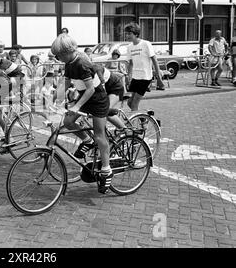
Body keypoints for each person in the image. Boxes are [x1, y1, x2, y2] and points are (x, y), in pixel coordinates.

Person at [51, 34, 112, 194]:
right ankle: (87, 141)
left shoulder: (82, 63)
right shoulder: (69, 62)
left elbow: (91, 89)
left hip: (97, 99)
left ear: (67, 51)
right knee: (68, 122)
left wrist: (77, 106)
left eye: (59, 55)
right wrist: (55, 97)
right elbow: (65, 82)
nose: (58, 58)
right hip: (84, 98)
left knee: (99, 135)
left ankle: (106, 169)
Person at [125, 22, 165, 111]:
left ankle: (133, 124)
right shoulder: (129, 47)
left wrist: (159, 77)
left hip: (145, 77)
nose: (127, 36)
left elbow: (154, 60)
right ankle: (144, 119)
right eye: (126, 34)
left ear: (136, 34)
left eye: (129, 33)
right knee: (129, 103)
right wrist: (129, 76)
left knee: (134, 103)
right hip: (135, 77)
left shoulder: (146, 44)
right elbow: (130, 63)